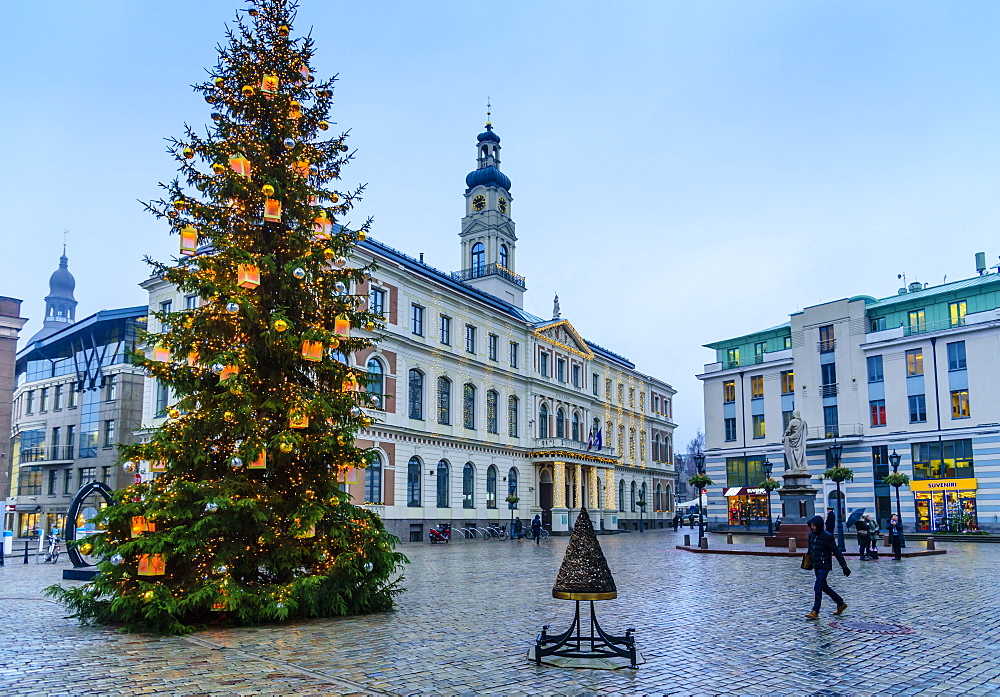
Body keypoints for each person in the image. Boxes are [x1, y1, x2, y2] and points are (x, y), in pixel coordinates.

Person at [805, 515, 851, 620]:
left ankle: (815, 611)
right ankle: (840, 603)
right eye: (811, 525)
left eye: (814, 525)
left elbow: (836, 551)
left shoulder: (827, 536)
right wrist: (808, 562)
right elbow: (810, 549)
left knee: (817, 587)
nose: (812, 527)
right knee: (823, 587)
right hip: (816, 565)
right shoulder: (811, 535)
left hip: (824, 565)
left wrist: (844, 566)